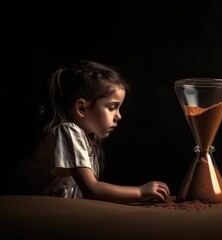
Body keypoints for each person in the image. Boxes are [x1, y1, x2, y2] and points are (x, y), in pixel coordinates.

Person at [13, 60, 170, 204]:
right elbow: (91, 190)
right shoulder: (66, 131)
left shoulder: (88, 140)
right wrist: (139, 191)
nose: (119, 116)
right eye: (112, 107)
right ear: (82, 108)